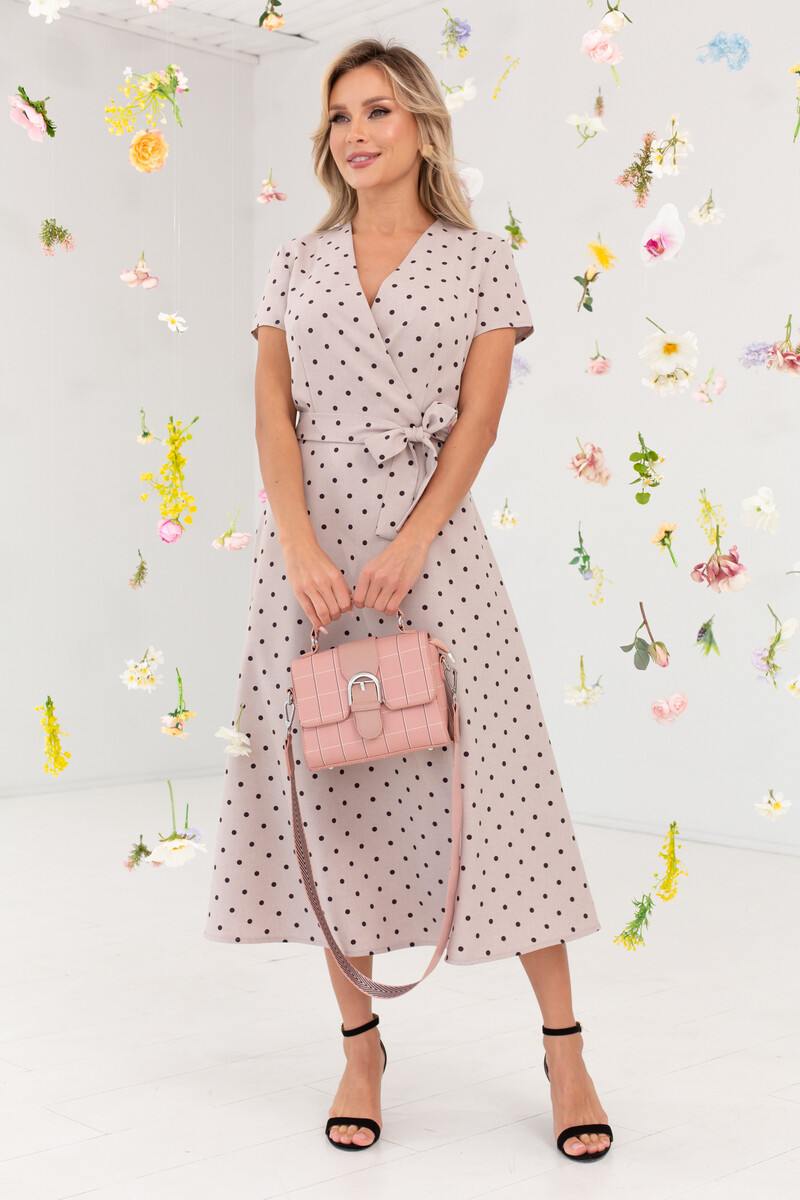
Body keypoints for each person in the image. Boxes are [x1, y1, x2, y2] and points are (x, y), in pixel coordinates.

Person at [205, 37, 613, 1162]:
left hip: (433, 554)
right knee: (330, 790)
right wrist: (298, 546)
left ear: (423, 125)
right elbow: (271, 416)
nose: (357, 133)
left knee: (502, 789)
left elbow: (478, 423)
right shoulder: (295, 263)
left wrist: (413, 542)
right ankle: (360, 1048)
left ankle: (565, 1047)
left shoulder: (481, 262)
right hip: (311, 561)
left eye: (378, 111)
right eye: (340, 116)